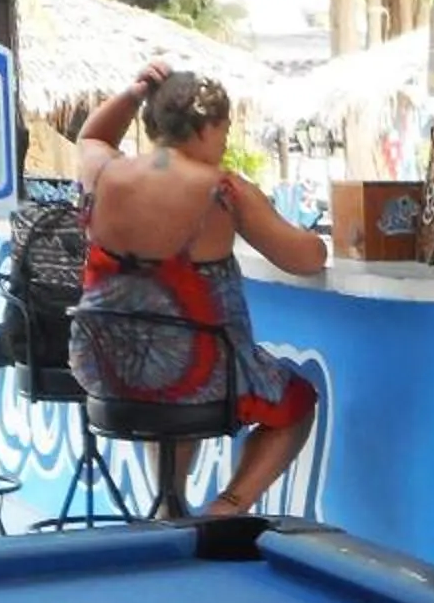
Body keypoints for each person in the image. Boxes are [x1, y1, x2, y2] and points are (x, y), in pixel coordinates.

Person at [71, 65, 327, 517]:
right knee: (296, 401)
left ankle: (168, 500)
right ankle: (227, 507)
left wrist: (134, 93)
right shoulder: (223, 191)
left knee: (169, 359)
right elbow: (305, 259)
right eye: (224, 130)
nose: (226, 141)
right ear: (206, 126)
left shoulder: (103, 170)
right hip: (198, 378)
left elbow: (91, 136)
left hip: (106, 367)